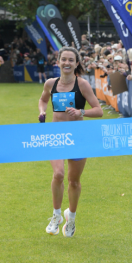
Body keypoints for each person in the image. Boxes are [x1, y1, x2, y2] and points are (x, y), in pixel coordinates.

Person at [39, 47, 103, 238]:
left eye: (71, 60)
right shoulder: (50, 83)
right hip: (55, 135)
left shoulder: (82, 85)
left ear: (76, 63)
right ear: (58, 62)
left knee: (74, 181)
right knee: (58, 174)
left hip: (78, 136)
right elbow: (42, 100)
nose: (66, 63)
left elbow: (98, 110)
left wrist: (80, 112)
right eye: (63, 59)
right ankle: (56, 216)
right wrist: (42, 112)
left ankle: (71, 218)